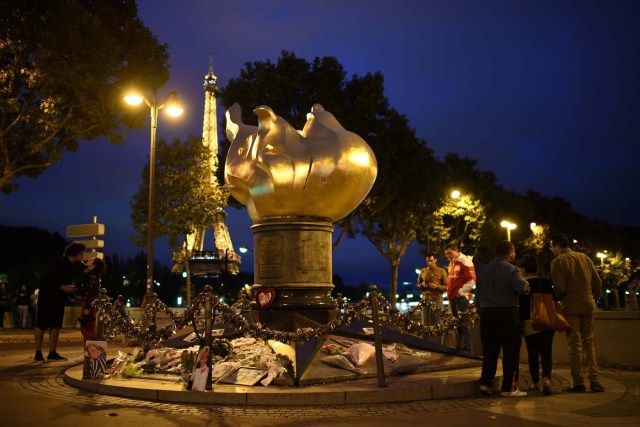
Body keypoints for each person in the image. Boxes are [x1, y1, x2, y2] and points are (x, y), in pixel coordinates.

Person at [549, 233, 604, 393]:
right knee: (589, 342)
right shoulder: (584, 258)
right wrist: (593, 297)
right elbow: (597, 282)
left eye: (552, 247)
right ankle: (594, 380)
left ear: (557, 246)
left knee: (575, 344)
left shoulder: (557, 262)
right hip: (588, 305)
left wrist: (558, 299)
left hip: (570, 306)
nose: (552, 250)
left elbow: (560, 289)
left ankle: (578, 382)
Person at [476, 240, 530, 398]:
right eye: (513, 251)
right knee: (510, 352)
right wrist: (526, 282)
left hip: (487, 314)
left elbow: (478, 295)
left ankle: (486, 383)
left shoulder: (484, 270)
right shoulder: (512, 269)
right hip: (507, 313)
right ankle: (509, 387)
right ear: (510, 252)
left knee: (490, 351)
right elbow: (523, 288)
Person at [34, 241, 86, 362]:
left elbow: (84, 269)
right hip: (47, 298)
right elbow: (47, 279)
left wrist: (74, 295)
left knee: (56, 325)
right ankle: (38, 352)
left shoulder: (73, 265)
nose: (83, 257)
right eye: (82, 254)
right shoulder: (59, 262)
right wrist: (63, 286)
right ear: (76, 253)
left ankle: (52, 353)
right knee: (41, 324)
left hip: (59, 299)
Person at [519, 254, 556, 396]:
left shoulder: (523, 284)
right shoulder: (545, 283)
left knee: (532, 352)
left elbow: (521, 307)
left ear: (523, 268)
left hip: (529, 322)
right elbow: (554, 299)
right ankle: (547, 379)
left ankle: (535, 382)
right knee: (546, 352)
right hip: (546, 321)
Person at [444, 242, 476, 353]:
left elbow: (472, 280)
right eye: (446, 254)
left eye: (450, 253)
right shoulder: (451, 263)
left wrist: (460, 292)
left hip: (461, 298)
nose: (448, 255)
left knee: (464, 324)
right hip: (453, 297)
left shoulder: (465, 261)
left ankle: (467, 349)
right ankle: (459, 347)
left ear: (456, 250)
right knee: (457, 324)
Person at [416, 254, 448, 340]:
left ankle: (440, 347)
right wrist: (422, 285)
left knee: (439, 324)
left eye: (431, 261)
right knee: (425, 325)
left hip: (437, 299)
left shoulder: (442, 271)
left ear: (435, 260)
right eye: (428, 261)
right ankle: (426, 346)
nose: (429, 263)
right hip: (425, 300)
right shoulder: (423, 271)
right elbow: (418, 285)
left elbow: (447, 286)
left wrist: (437, 286)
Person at [78, 257, 106, 342]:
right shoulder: (92, 274)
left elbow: (91, 291)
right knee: (87, 326)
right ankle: (88, 352)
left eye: (91, 260)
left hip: (89, 302)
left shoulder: (93, 275)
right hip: (89, 301)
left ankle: (89, 351)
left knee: (87, 327)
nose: (88, 260)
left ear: (94, 265)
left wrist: (87, 307)